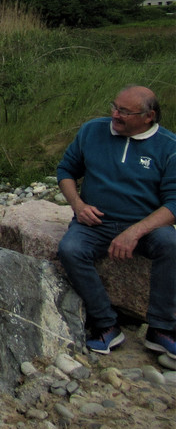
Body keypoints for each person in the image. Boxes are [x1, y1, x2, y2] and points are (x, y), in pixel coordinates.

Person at [56, 85, 176, 358]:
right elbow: (66, 170)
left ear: (149, 116)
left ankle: (161, 329)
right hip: (94, 223)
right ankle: (107, 324)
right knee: (70, 250)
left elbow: (174, 203)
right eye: (114, 106)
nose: (115, 114)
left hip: (145, 226)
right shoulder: (92, 130)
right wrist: (78, 204)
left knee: (171, 243)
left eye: (124, 111)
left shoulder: (169, 148)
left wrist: (135, 232)